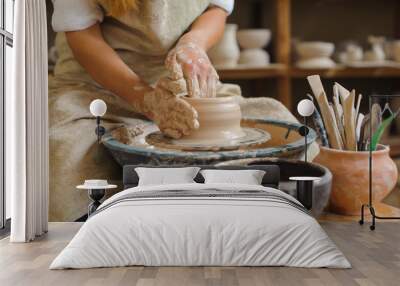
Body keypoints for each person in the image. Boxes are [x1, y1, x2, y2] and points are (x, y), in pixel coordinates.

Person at [50, 0, 299, 221]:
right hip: (94, 84)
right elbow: (83, 36)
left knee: (275, 119)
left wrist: (193, 43)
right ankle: (96, 229)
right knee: (65, 149)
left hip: (176, 81)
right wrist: (146, 100)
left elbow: (217, 8)